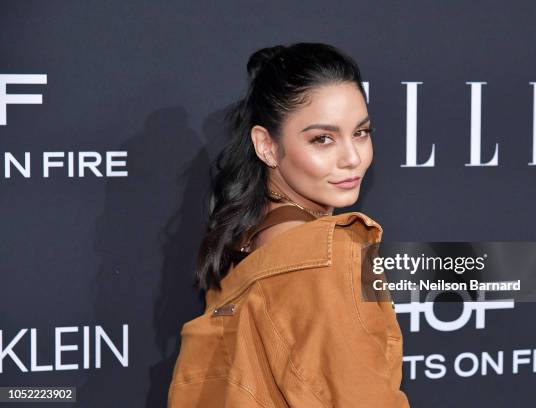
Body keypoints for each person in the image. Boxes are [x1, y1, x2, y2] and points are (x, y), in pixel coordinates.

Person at [168, 42, 410, 407]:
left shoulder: (249, 238)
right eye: (322, 139)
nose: (353, 157)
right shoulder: (327, 260)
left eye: (361, 132)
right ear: (266, 146)